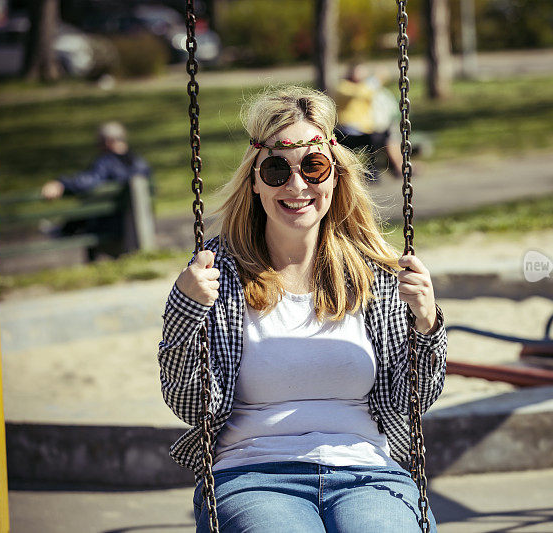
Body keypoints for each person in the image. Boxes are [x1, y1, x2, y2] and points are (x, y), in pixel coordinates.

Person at [158, 86, 447, 533]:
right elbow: (188, 404)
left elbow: (414, 400)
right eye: (276, 170)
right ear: (254, 182)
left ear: (335, 177)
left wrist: (426, 325)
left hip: (366, 471)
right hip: (253, 475)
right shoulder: (217, 274)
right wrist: (185, 309)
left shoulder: (374, 274)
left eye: (313, 167)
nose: (296, 186)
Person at [40, 121, 152, 258]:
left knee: (89, 208)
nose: (98, 146)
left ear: (109, 141)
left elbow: (86, 182)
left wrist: (61, 183)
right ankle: (63, 230)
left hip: (112, 226)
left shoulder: (106, 162)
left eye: (99, 142)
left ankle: (63, 231)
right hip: (140, 223)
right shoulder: (139, 162)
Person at [333, 63, 404, 179]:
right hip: (347, 131)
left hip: (365, 129)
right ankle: (390, 167)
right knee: (373, 137)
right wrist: (377, 78)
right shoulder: (343, 87)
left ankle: (382, 168)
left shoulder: (365, 87)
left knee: (385, 136)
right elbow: (359, 93)